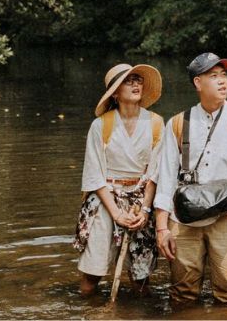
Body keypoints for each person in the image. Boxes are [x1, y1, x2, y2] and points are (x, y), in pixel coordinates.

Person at [153, 53, 227, 305]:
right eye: (213, 76)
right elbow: (165, 180)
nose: (222, 82)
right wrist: (162, 229)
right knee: (181, 294)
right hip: (183, 220)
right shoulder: (176, 124)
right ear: (198, 83)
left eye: (224, 75)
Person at [74, 63, 164, 297]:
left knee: (141, 279)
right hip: (105, 200)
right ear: (115, 92)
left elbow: (155, 173)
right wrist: (116, 214)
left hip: (141, 200)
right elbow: (94, 175)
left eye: (138, 80)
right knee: (91, 277)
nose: (135, 84)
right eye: (128, 80)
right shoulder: (101, 125)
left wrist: (144, 210)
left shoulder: (155, 123)